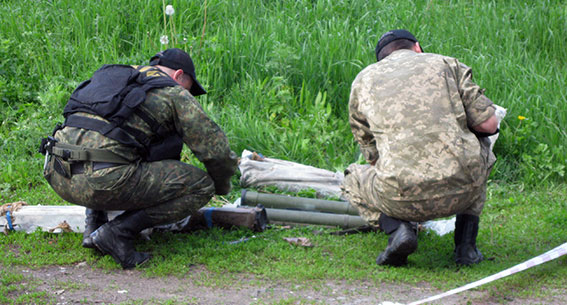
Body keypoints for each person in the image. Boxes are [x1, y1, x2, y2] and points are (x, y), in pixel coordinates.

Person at [40, 48, 238, 269]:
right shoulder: (173, 91)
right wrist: (221, 185)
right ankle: (117, 233)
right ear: (179, 75)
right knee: (201, 186)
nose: (189, 94)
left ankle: (93, 228)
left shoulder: (116, 78)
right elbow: (215, 149)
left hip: (58, 174)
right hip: (101, 182)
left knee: (113, 148)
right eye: (190, 87)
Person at [341, 30, 499, 267]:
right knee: (481, 146)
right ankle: (466, 247)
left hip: (401, 198)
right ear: (417, 47)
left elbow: (372, 157)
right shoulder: (447, 63)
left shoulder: (363, 80)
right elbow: (489, 124)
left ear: (381, 59)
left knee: (352, 178)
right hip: (463, 189)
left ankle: (398, 229)